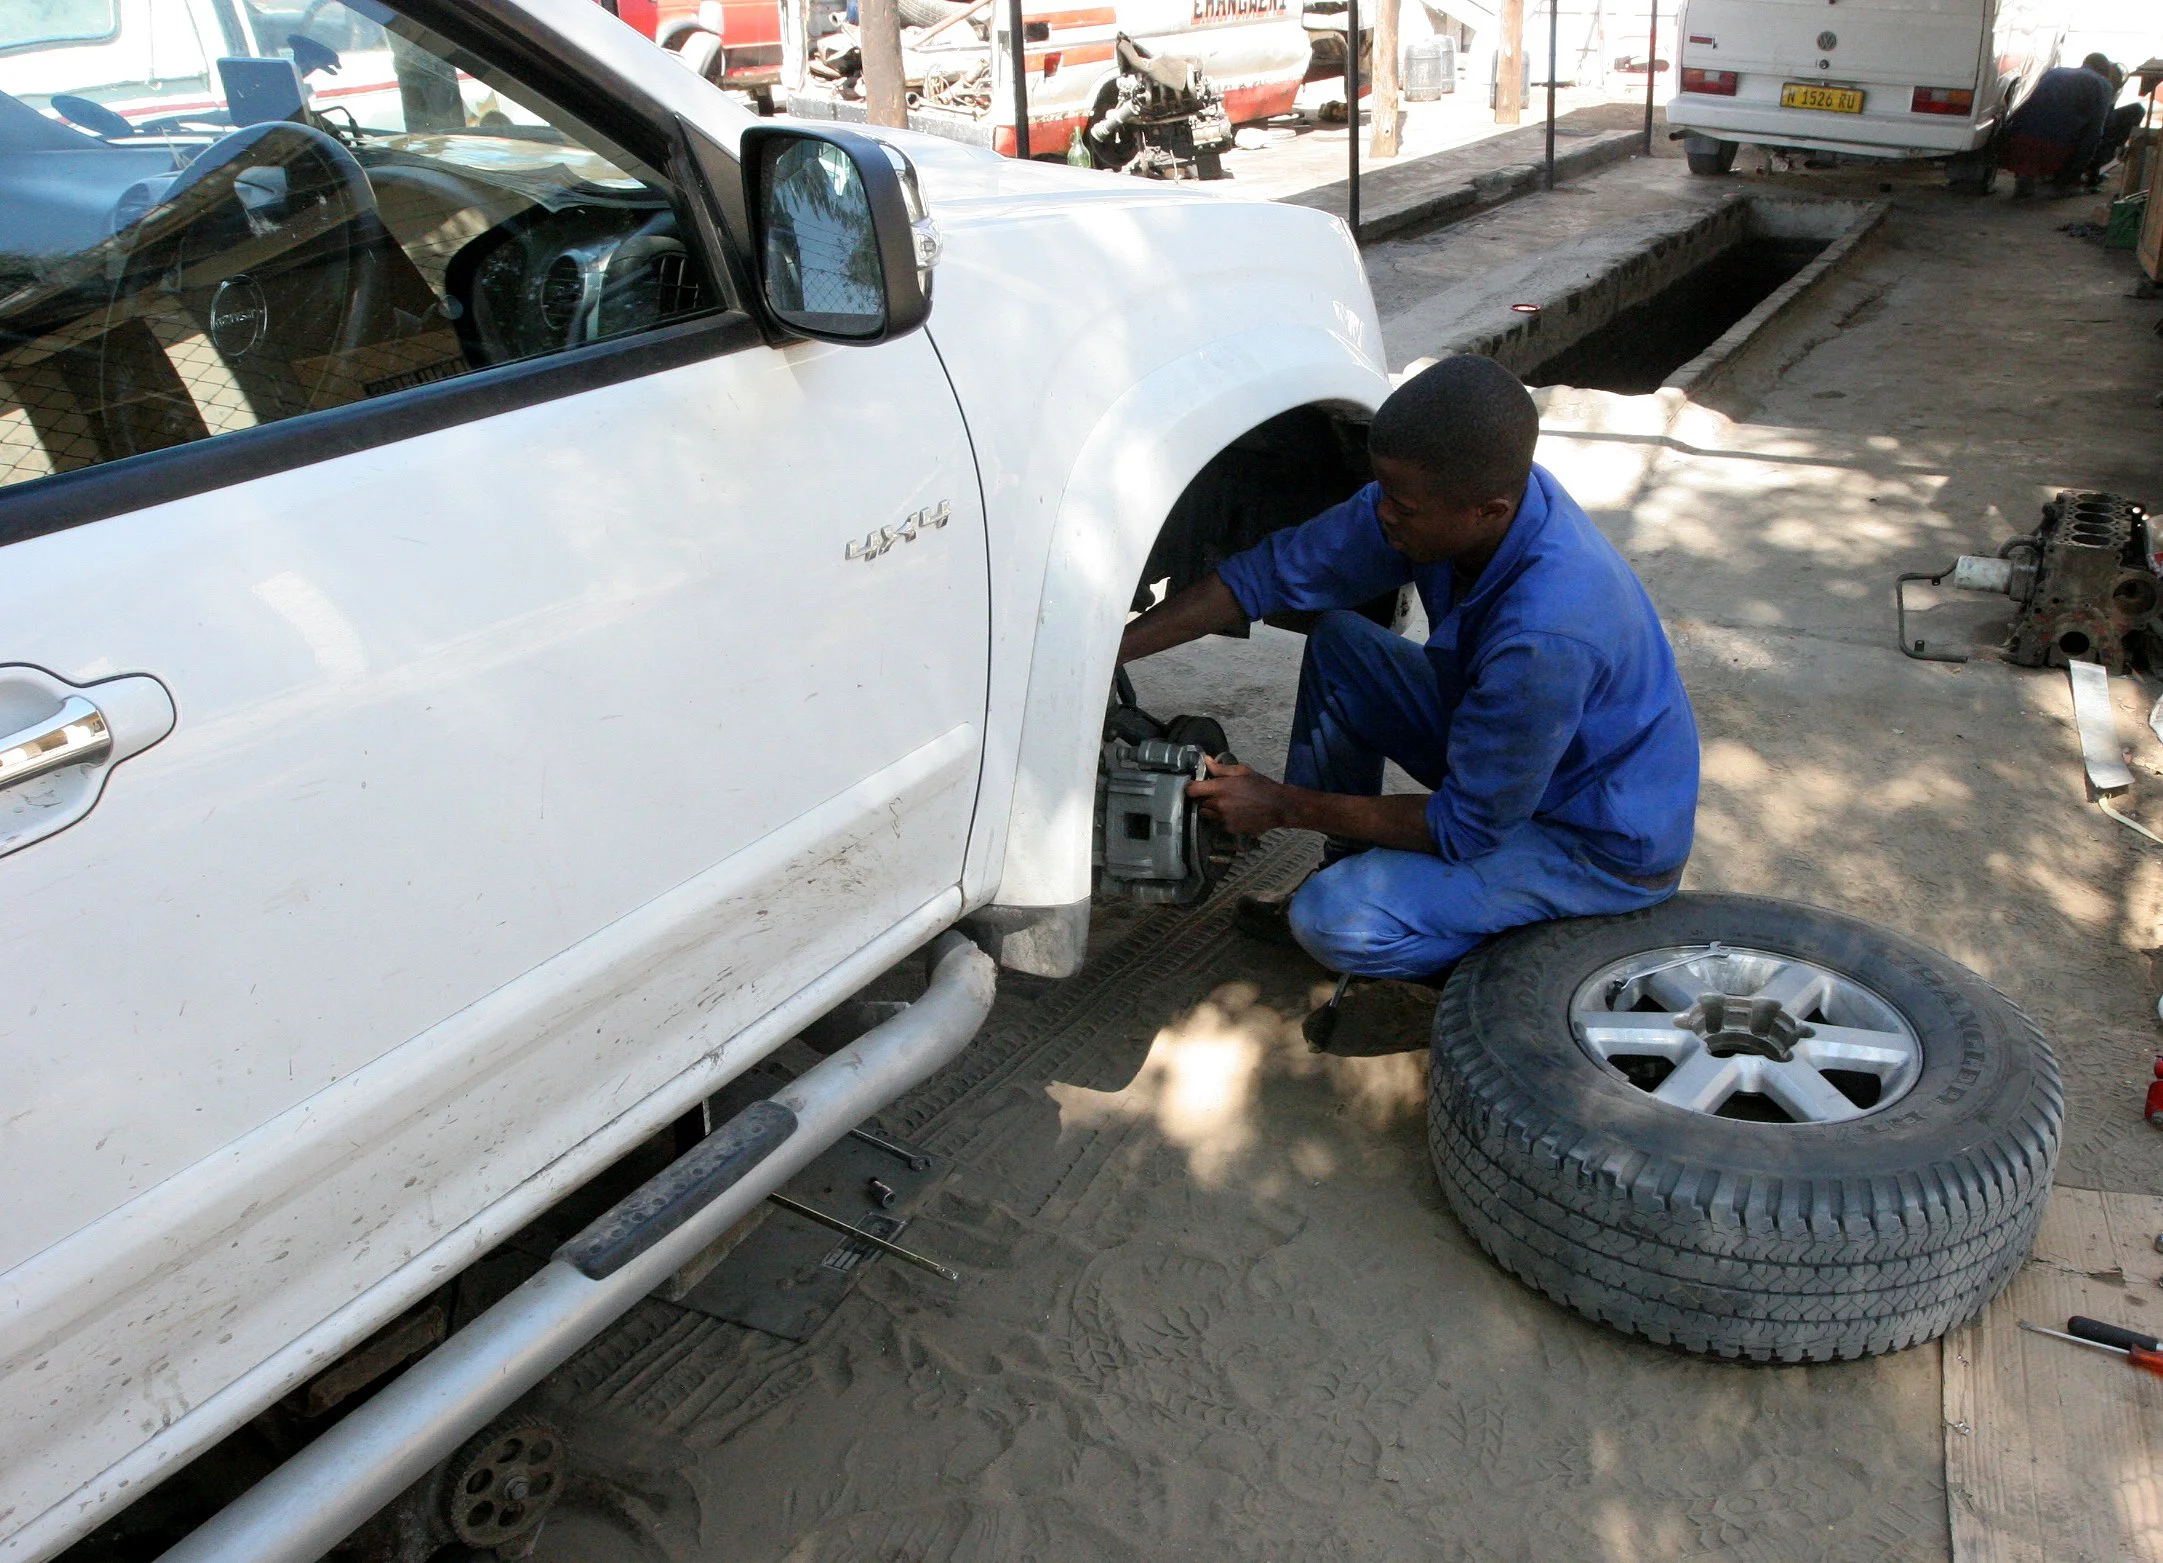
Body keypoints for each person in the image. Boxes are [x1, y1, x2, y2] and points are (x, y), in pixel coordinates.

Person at [1117, 355, 1699, 985]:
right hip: (1522, 759)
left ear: (1488, 510)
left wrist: (1280, 804)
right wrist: (1109, 654)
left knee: (1333, 919)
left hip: (1594, 839)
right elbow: (1263, 575)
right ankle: (1351, 863)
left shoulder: (1546, 635)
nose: (1384, 513)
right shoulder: (1453, 507)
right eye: (1384, 491)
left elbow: (1466, 826)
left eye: (1404, 505)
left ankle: (1506, 975)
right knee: (1342, 644)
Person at [2000, 55, 2120, 198]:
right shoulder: (2103, 84)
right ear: (2106, 71)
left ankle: (2026, 177)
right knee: (2088, 135)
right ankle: (2063, 184)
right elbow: (2095, 131)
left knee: (2045, 125)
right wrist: (2080, 170)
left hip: (2020, 142)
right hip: (2055, 148)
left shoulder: (2056, 72)